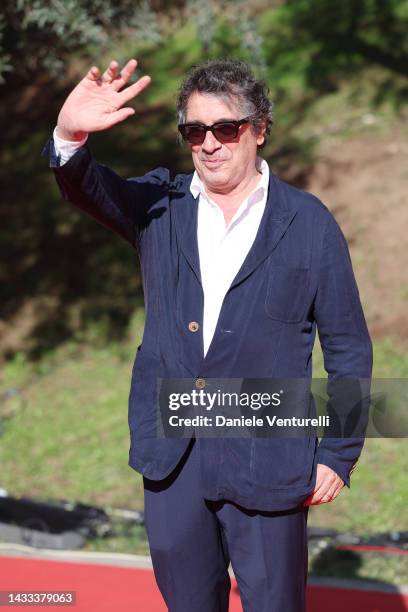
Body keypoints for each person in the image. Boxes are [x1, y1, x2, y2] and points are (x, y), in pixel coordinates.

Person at [43, 57, 373, 611]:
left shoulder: (309, 222)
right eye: (195, 131)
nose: (210, 144)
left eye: (226, 128)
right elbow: (87, 189)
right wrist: (69, 135)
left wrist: (338, 453)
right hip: (174, 458)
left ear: (259, 129)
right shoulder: (160, 205)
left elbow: (347, 347)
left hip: (269, 455)